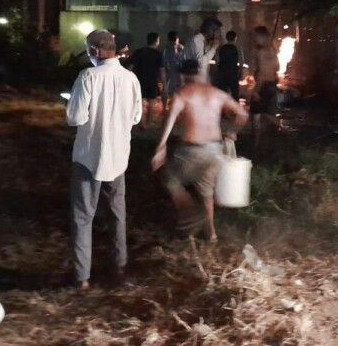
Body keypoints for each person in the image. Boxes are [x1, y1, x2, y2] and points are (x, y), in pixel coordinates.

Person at [66, 29, 142, 290]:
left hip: (89, 157)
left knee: (82, 217)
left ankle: (82, 278)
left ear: (95, 51)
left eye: (88, 50)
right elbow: (136, 117)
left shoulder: (88, 76)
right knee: (117, 212)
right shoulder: (131, 79)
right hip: (118, 157)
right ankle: (119, 266)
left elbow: (75, 117)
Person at [152, 59, 248, 241]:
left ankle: (191, 212)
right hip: (215, 151)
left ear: (184, 76)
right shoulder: (217, 93)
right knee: (206, 191)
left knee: (169, 178)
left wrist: (161, 148)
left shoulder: (183, 94)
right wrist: (231, 131)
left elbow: (169, 122)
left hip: (192, 151)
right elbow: (242, 114)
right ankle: (211, 233)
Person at [249, 25, 280, 146]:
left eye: (255, 36)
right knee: (271, 115)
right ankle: (274, 143)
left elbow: (262, 73)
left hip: (262, 87)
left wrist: (256, 91)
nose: (254, 39)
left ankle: (256, 145)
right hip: (272, 86)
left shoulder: (259, 52)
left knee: (256, 117)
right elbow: (277, 67)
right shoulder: (273, 51)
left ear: (262, 37)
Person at [129, 33, 165, 129]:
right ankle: (148, 123)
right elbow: (162, 70)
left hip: (139, 80)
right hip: (152, 81)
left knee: (140, 102)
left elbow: (130, 66)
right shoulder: (158, 54)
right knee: (152, 103)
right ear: (156, 41)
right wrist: (164, 83)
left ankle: (142, 123)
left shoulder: (139, 52)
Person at [184, 17, 222, 82]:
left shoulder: (204, 40)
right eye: (217, 31)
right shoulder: (197, 39)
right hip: (196, 79)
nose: (219, 34)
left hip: (201, 78)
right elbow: (201, 62)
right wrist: (214, 48)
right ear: (210, 30)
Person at [216, 30, 243, 101]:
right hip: (233, 73)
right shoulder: (238, 48)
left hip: (222, 73)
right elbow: (241, 61)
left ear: (226, 38)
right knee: (235, 95)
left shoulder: (221, 48)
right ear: (235, 38)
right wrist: (240, 72)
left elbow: (217, 61)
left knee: (222, 94)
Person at [162, 30, 184, 112]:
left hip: (177, 73)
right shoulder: (167, 49)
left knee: (175, 91)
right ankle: (167, 107)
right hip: (172, 73)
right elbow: (165, 64)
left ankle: (171, 107)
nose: (176, 42)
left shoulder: (180, 48)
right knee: (170, 91)